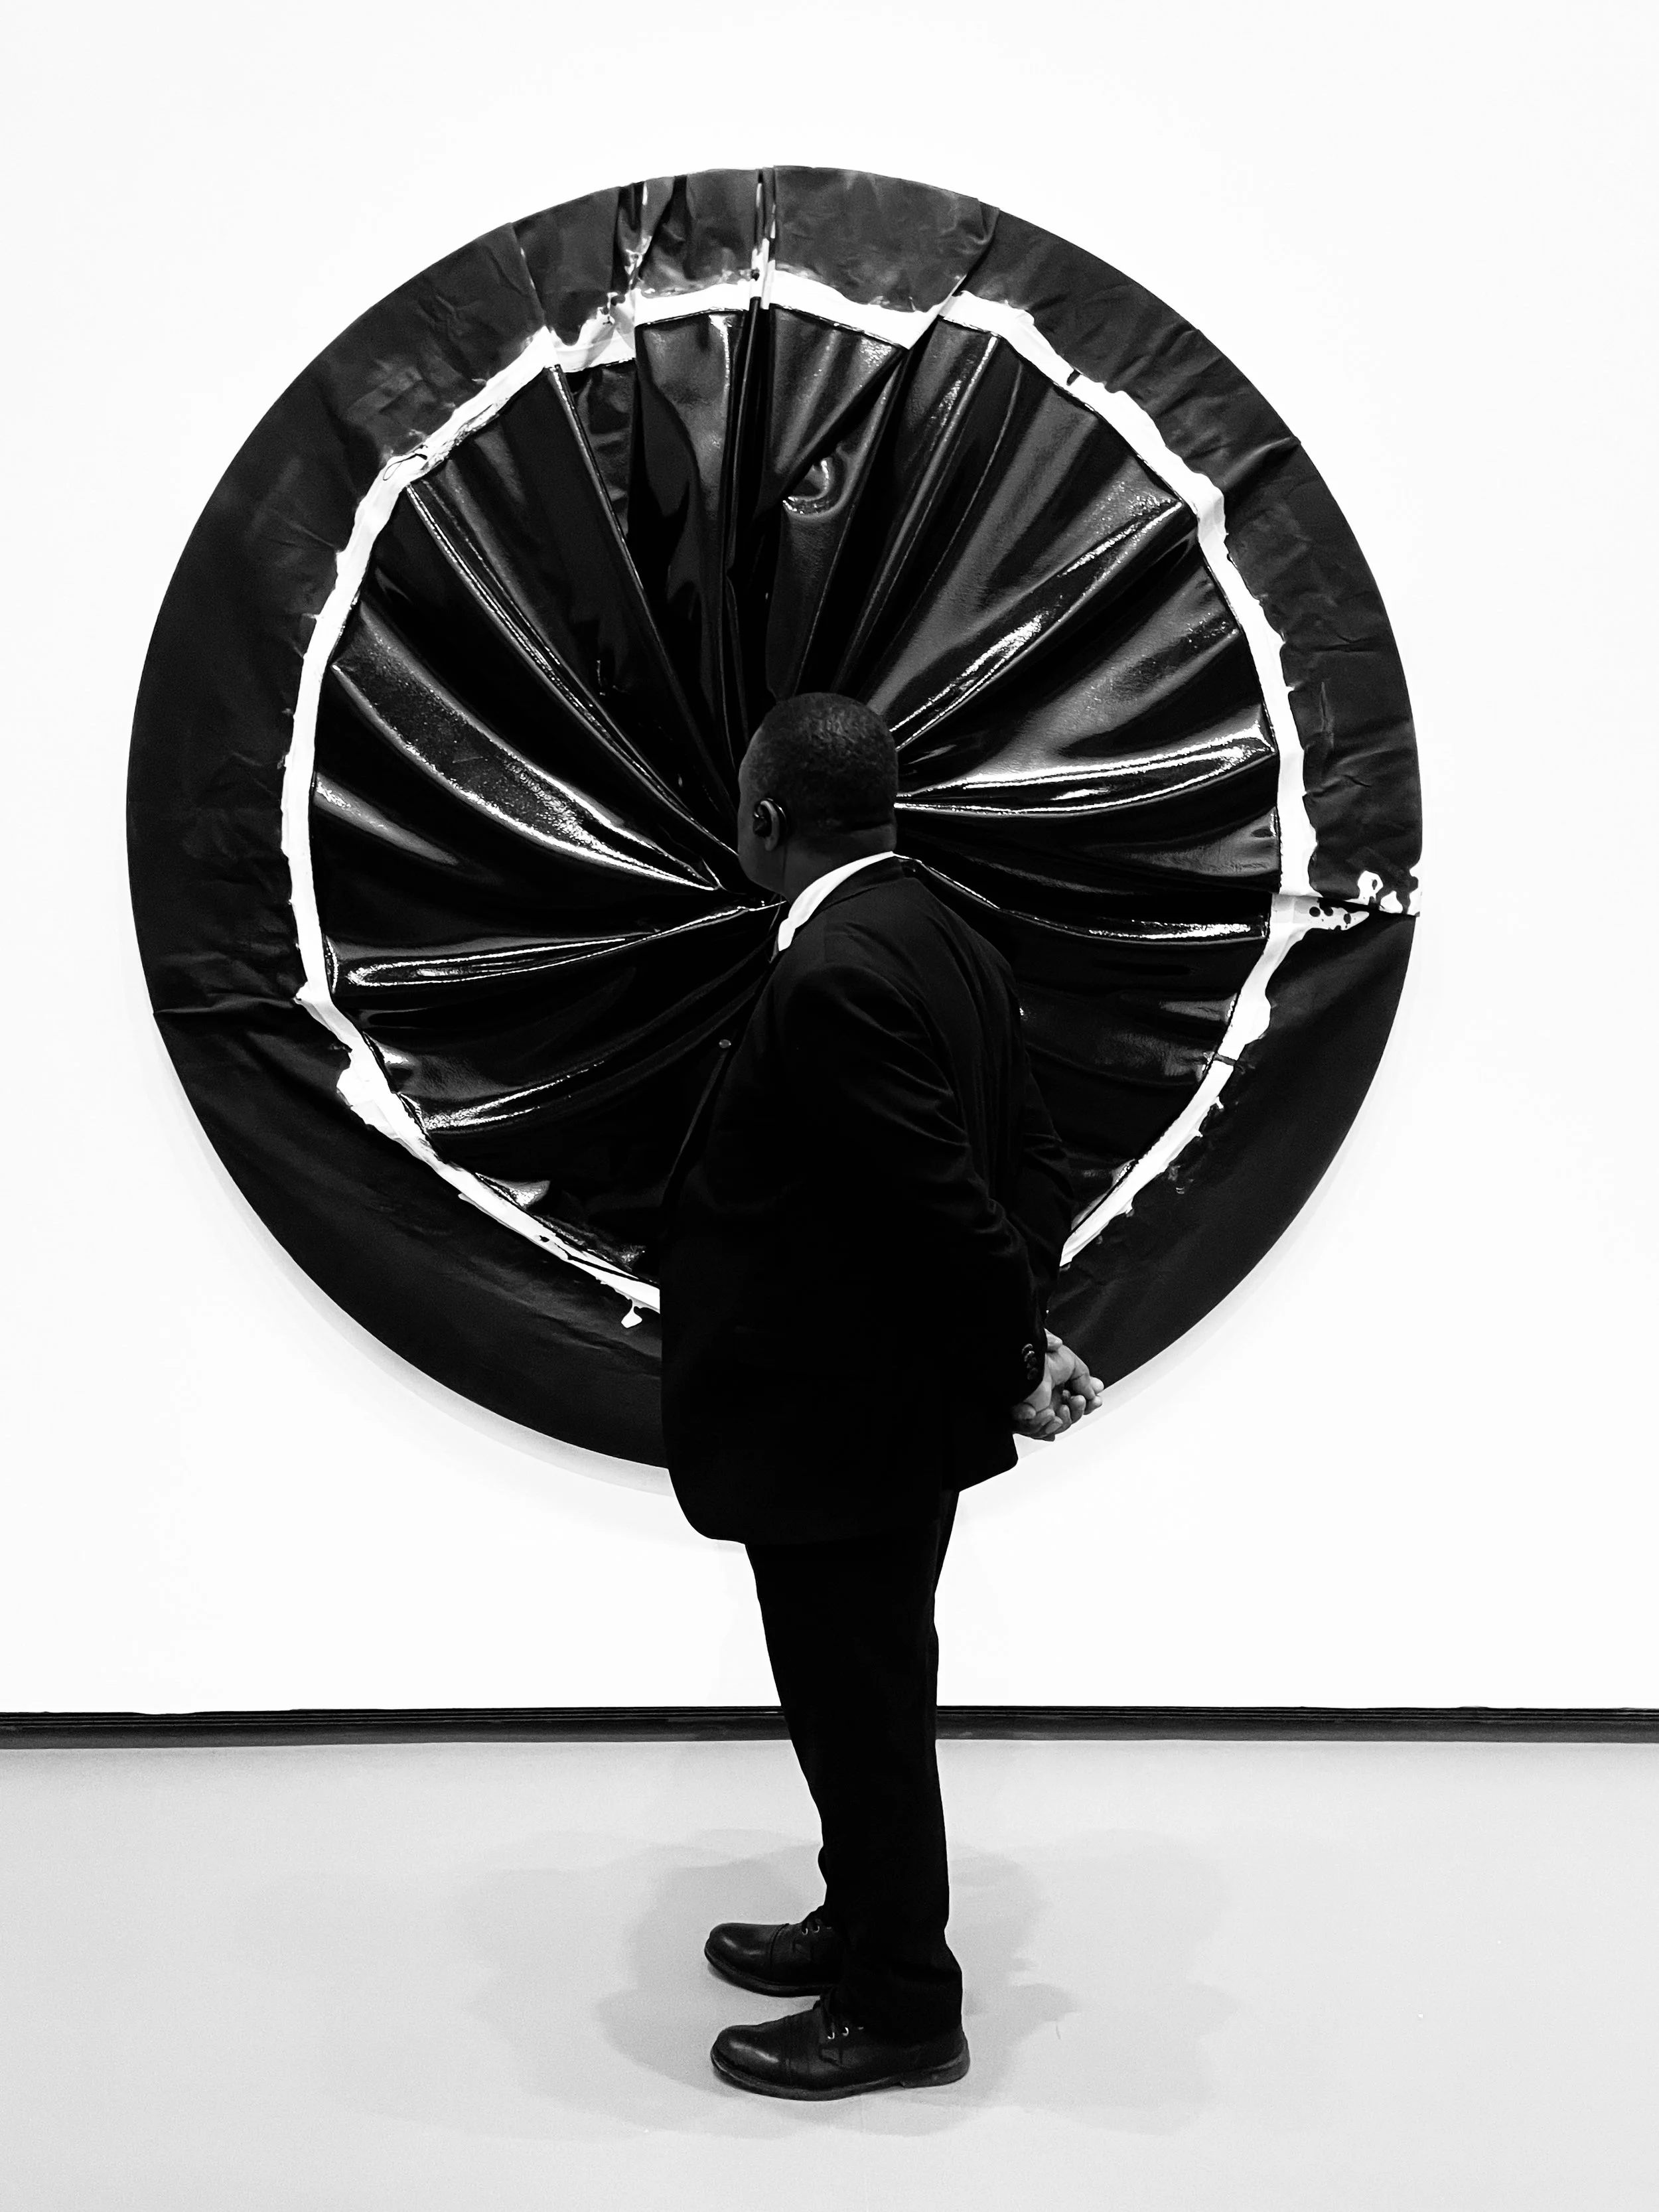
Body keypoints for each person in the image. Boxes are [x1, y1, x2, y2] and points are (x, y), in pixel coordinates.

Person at [659, 692, 1104, 2100]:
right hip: (887, 1416)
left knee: (854, 1702)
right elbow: (1030, 1163)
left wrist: (1014, 1352)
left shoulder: (832, 973)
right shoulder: (944, 932)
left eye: (740, 799)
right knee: (868, 1682)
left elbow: (938, 1208)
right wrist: (1013, 1332)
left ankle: (902, 2001)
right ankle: (859, 1921)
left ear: (766, 819)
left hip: (835, 1423)